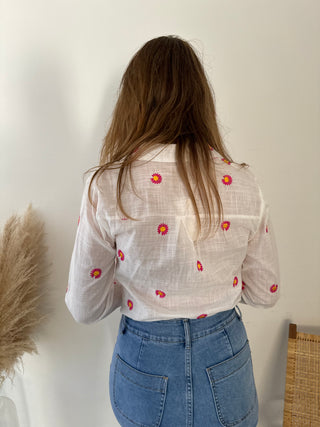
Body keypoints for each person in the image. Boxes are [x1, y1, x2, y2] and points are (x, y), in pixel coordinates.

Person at [65, 35, 280, 427]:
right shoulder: (243, 183)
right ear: (201, 101)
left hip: (145, 357)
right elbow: (266, 292)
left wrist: (134, 282)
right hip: (225, 357)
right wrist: (213, 281)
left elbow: (84, 306)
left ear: (132, 102)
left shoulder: (107, 186)